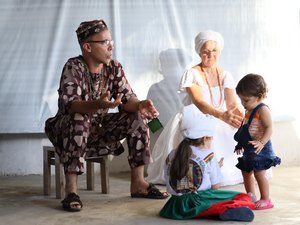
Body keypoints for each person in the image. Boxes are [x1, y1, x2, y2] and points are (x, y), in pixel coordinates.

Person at [44, 19, 168, 212]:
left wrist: (140, 104)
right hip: (67, 127)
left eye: (111, 41)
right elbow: (71, 105)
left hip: (99, 126)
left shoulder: (114, 67)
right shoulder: (73, 67)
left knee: (136, 117)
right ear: (88, 47)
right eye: (104, 42)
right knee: (80, 117)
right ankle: (71, 192)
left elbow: (128, 100)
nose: (110, 46)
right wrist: (98, 104)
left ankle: (138, 183)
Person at [146, 30, 245, 186]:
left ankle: (221, 172)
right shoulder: (192, 73)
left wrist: (237, 112)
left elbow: (231, 103)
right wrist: (222, 115)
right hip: (195, 117)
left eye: (214, 51)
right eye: (205, 52)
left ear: (219, 51)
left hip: (219, 115)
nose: (210, 55)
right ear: (199, 52)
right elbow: (199, 102)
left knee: (239, 130)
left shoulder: (226, 75)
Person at [160, 104, 255, 222]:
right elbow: (215, 187)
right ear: (205, 138)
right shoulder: (208, 155)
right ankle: (222, 210)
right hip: (198, 201)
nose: (212, 140)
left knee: (214, 201)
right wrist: (216, 169)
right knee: (242, 197)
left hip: (174, 206)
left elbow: (167, 178)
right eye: (211, 138)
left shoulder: (172, 154)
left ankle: (218, 210)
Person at [234, 73, 281, 210]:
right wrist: (239, 144)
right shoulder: (248, 110)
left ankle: (266, 199)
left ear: (259, 97)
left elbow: (269, 128)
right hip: (250, 147)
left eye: (246, 100)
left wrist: (262, 142)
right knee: (246, 171)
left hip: (261, 147)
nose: (243, 104)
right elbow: (245, 129)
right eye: (241, 100)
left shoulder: (263, 110)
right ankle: (250, 196)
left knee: (259, 173)